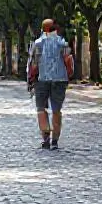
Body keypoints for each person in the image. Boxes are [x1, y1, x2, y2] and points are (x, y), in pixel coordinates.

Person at [27, 18, 73, 150]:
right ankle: (55, 140)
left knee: (41, 109)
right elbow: (68, 60)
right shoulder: (62, 43)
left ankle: (46, 138)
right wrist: (68, 74)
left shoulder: (38, 43)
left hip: (42, 80)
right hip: (60, 80)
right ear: (55, 29)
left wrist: (31, 78)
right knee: (57, 110)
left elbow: (34, 64)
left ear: (43, 29)